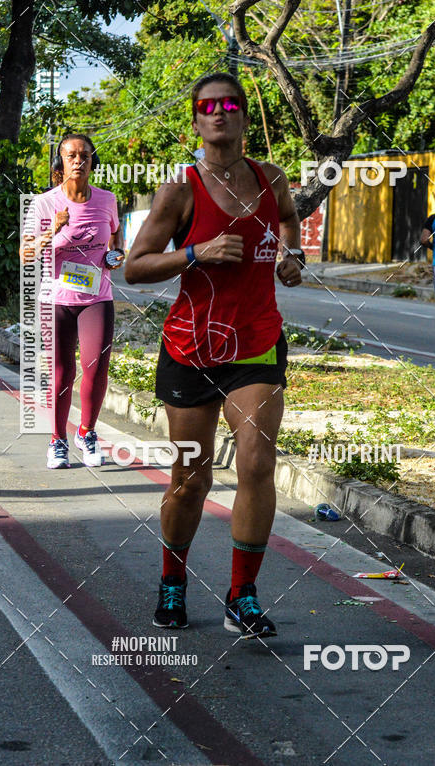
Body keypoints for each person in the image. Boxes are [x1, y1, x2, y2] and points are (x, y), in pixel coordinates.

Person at [125, 72, 304, 639]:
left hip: (256, 343)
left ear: (244, 116)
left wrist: (290, 257)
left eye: (229, 104)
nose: (218, 113)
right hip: (191, 347)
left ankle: (242, 595)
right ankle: (172, 583)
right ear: (197, 121)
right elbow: (134, 266)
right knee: (190, 477)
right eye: (207, 107)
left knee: (255, 464)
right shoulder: (180, 189)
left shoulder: (271, 178)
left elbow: (289, 222)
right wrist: (195, 253)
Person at [21, 134, 124, 468]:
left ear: (93, 163)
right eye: (70, 156)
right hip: (56, 300)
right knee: (62, 373)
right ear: (60, 163)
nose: (78, 161)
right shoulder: (43, 203)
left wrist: (115, 256)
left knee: (96, 369)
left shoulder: (108, 200)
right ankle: (57, 440)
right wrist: (53, 231)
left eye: (84, 156)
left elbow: (115, 239)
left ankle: (86, 432)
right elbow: (25, 254)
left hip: (96, 297)